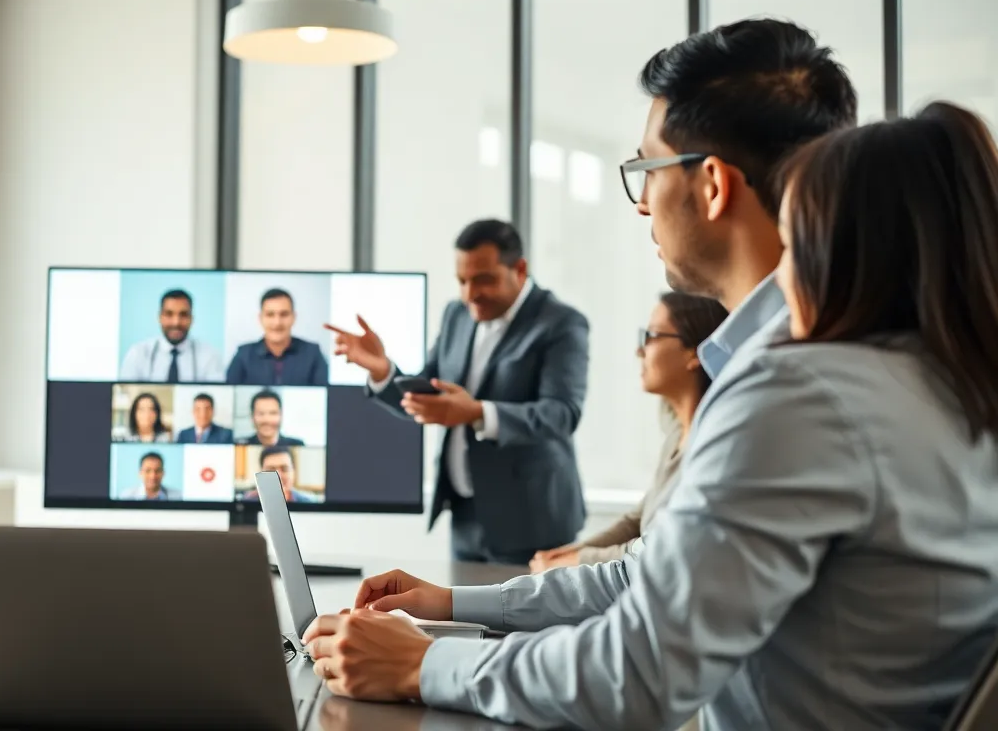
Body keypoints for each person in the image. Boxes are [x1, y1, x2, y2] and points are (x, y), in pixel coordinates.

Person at [301, 99, 998, 731]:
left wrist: (422, 666)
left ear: (844, 249)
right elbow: (654, 573)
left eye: (796, 238)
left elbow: (636, 674)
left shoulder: (811, 394)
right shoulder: (949, 389)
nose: (785, 274)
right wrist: (451, 607)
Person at [329, 219, 589, 564]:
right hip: (465, 516)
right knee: (463, 618)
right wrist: (382, 370)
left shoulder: (561, 322)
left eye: (484, 280)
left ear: (520, 269)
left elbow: (561, 413)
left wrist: (477, 412)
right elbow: (429, 396)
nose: (470, 294)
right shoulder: (457, 314)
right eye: (462, 281)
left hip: (532, 523)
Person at [530, 292, 727, 573]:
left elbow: (654, 546)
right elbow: (637, 520)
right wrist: (568, 554)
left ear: (695, 352)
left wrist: (573, 562)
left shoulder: (712, 447)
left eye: (651, 336)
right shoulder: (675, 432)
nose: (639, 350)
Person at [226, 288, 328, 386]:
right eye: (270, 315)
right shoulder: (243, 355)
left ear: (293, 317)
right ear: (260, 318)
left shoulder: (312, 353)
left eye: (284, 314)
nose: (277, 323)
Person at [117, 288, 224, 382]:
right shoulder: (138, 353)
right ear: (160, 317)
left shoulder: (210, 356)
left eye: (183, 315)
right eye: (169, 314)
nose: (176, 322)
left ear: (192, 319)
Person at [239, 445, 320, 503]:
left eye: (284, 469)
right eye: (271, 470)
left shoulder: (309, 502)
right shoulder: (246, 502)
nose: (278, 476)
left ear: (293, 472)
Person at [235, 388, 305, 446]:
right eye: (261, 413)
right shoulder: (240, 444)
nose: (266, 420)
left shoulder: (297, 444)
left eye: (272, 413)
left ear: (281, 416)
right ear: (252, 417)